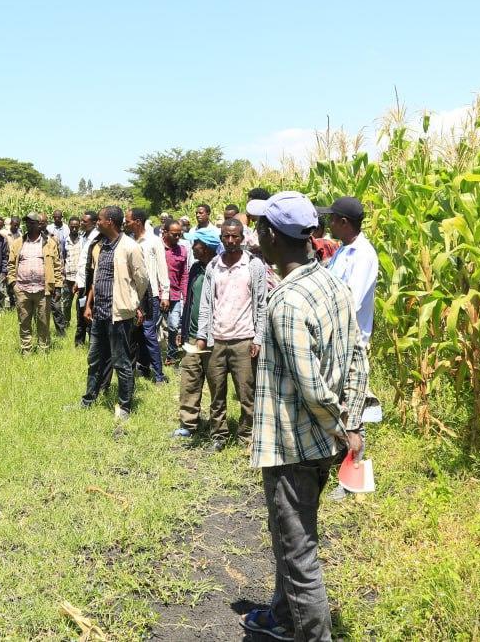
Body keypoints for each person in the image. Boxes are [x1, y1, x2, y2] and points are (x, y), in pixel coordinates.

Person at [239, 191, 369, 642]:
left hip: (295, 447)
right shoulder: (332, 283)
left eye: (259, 228)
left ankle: (313, 634)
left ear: (271, 236)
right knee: (289, 537)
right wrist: (349, 424)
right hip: (325, 444)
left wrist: (340, 425)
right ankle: (282, 615)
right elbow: (357, 356)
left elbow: (312, 387)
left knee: (298, 554)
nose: (256, 235)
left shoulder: (286, 302)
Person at [194, 220, 269, 450]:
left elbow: (261, 304)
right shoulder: (213, 266)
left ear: (242, 238)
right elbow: (207, 303)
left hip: (244, 340)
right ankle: (219, 435)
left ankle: (247, 436)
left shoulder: (253, 266)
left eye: (235, 236)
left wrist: (258, 338)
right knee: (217, 393)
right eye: (226, 236)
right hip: (217, 339)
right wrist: (202, 335)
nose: (230, 241)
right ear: (221, 237)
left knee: (247, 394)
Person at [80, 206, 150, 419]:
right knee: (94, 359)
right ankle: (88, 399)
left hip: (119, 314)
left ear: (110, 221)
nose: (97, 223)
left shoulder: (130, 247)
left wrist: (133, 302)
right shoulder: (99, 245)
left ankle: (125, 405)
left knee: (121, 361)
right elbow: (95, 278)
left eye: (99, 220)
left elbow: (142, 280)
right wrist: (89, 305)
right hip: (99, 314)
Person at [174, 228, 220, 438]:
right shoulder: (195, 268)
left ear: (207, 247)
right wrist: (183, 331)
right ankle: (188, 423)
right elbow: (190, 301)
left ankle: (218, 427)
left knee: (216, 383)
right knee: (190, 379)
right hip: (193, 335)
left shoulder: (221, 268)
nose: (193, 247)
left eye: (197, 244)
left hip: (214, 337)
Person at [323, 197, 377, 350]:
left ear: (343, 222)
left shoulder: (363, 255)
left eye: (332, 219)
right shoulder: (343, 249)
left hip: (350, 344)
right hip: (337, 339)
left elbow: (351, 301)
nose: (329, 224)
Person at [7, 212, 63, 354]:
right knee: (24, 321)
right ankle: (26, 350)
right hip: (22, 289)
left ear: (39, 225)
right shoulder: (18, 243)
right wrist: (14, 284)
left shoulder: (50, 243)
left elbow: (57, 266)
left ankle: (43, 350)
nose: (29, 226)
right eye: (27, 223)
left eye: (32, 223)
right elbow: (11, 265)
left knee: (43, 322)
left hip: (43, 290)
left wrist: (58, 287)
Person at [127, 206, 170, 384]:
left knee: (149, 333)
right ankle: (142, 368)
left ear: (137, 222)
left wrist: (165, 293)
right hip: (132, 294)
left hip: (149, 294)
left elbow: (162, 268)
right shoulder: (129, 241)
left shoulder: (153, 241)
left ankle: (159, 375)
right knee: (135, 334)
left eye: (128, 221)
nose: (125, 223)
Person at [162, 219, 190, 365]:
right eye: (174, 234)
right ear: (165, 232)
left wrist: (185, 297)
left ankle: (171, 355)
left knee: (173, 325)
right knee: (153, 327)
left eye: (180, 235)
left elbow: (184, 275)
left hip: (174, 294)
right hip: (158, 295)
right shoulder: (157, 248)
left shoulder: (182, 250)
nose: (178, 238)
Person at [72, 210, 99, 347]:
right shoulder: (84, 236)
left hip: (91, 285)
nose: (81, 223)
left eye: (84, 221)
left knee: (89, 312)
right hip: (82, 283)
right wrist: (78, 281)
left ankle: (92, 343)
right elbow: (82, 263)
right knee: (80, 312)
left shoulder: (96, 239)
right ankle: (79, 342)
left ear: (94, 223)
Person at [62, 216, 83, 339]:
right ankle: (66, 323)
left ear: (79, 226)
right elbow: (63, 257)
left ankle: (81, 324)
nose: (74, 228)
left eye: (76, 226)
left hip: (80, 278)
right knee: (66, 303)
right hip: (68, 278)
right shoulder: (65, 240)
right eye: (72, 226)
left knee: (81, 303)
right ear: (69, 226)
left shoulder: (83, 240)